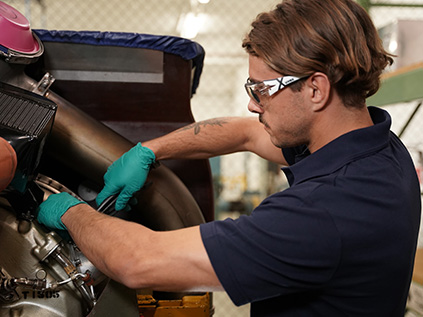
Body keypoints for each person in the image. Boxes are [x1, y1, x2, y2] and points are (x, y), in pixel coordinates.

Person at [37, 0, 421, 315]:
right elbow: (245, 132)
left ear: (315, 89)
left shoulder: (323, 213)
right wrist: (149, 150)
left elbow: (138, 262)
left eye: (261, 89)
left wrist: (69, 210)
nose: (253, 105)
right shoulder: (380, 148)